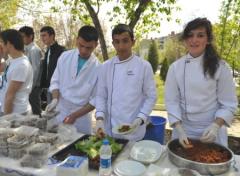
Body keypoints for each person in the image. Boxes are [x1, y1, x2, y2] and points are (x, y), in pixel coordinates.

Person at [164, 18, 238, 147]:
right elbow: (171, 101)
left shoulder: (221, 67)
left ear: (208, 40)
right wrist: (179, 130)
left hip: (212, 130)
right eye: (190, 35)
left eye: (200, 35)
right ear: (185, 39)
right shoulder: (175, 68)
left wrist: (216, 126)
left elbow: (228, 104)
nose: (194, 40)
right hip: (184, 130)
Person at [95, 24, 157, 141]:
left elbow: (151, 96)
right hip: (110, 131)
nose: (121, 46)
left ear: (133, 42)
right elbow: (101, 95)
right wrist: (99, 118)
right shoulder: (105, 67)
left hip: (134, 130)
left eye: (125, 41)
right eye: (117, 42)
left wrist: (141, 118)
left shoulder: (144, 66)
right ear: (113, 44)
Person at [46, 25, 100, 134]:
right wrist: (55, 99)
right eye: (81, 45)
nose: (84, 50)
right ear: (77, 40)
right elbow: (55, 81)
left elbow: (95, 100)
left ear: (96, 45)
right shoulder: (65, 57)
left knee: (80, 146)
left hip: (81, 116)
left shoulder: (99, 68)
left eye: (89, 47)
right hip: (61, 110)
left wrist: (75, 115)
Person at [0, 29, 33, 115]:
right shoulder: (13, 60)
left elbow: (10, 95)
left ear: (9, 43)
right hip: (10, 110)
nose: (1, 45)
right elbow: (1, 67)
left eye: (3, 42)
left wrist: (7, 118)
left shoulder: (21, 65)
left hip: (17, 113)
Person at [19, 26, 43, 116]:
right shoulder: (25, 48)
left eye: (23, 36)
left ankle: (39, 129)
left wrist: (30, 87)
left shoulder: (34, 50)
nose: (21, 39)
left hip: (33, 86)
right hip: (26, 85)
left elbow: (36, 70)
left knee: (35, 110)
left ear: (31, 36)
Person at [40, 26, 65, 105]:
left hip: (58, 89)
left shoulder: (62, 51)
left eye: (44, 35)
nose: (42, 38)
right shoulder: (48, 50)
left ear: (52, 36)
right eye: (41, 36)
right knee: (50, 113)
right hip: (48, 88)